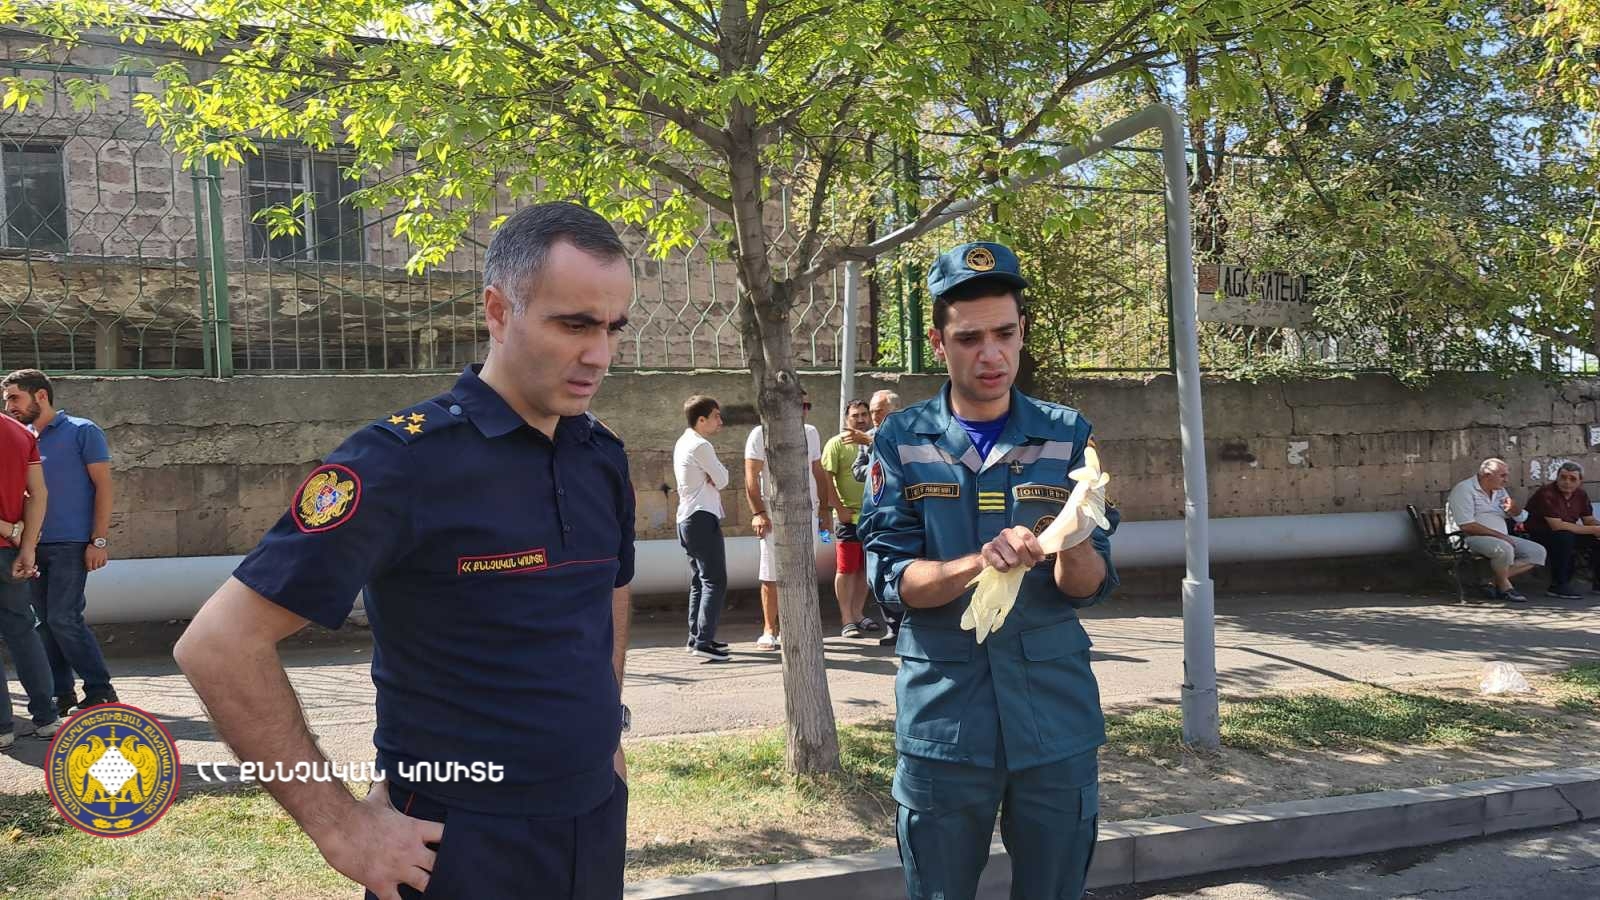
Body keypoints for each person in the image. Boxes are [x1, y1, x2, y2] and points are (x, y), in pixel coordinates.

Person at [172, 203, 637, 900]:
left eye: (612, 328)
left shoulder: (599, 455)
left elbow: (607, 590)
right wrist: (340, 827)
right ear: (498, 312)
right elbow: (217, 645)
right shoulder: (401, 462)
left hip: (593, 820)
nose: (598, 355)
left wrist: (607, 730)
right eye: (574, 325)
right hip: (456, 843)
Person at [859, 241, 1118, 900]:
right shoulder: (902, 439)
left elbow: (1088, 586)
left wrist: (1073, 540)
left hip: (1053, 715)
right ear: (938, 342)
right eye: (969, 338)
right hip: (946, 718)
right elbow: (891, 581)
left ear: (1022, 331)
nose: (991, 354)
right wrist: (978, 561)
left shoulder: (1067, 435)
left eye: (1004, 334)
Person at [1, 369, 117, 717]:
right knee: (42, 622)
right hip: (29, 546)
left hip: (72, 543)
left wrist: (98, 540)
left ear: (41, 395)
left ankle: (100, 690)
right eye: (6, 401)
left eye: (15, 398)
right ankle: (60, 693)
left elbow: (104, 487)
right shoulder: (18, 437)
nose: (9, 407)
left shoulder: (83, 431)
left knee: (64, 618)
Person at [743, 388, 840, 651]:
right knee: (771, 572)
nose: (804, 411)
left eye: (807, 406)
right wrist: (758, 513)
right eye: (800, 405)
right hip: (774, 513)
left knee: (805, 570)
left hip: (808, 511)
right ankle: (769, 629)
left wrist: (824, 511)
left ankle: (799, 627)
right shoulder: (759, 434)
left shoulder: (811, 433)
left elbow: (818, 471)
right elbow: (751, 476)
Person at [0, 411, 61, 748]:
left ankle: (2, 728)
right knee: (23, 631)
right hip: (10, 553)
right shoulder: (20, 432)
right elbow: (38, 494)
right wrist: (26, 545)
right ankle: (47, 717)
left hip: (11, 542)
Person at [674, 395, 731, 662]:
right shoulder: (700, 445)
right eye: (716, 416)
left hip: (687, 519)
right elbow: (723, 479)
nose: (721, 421)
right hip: (700, 518)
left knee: (700, 580)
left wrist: (714, 475)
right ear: (701, 420)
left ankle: (696, 636)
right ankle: (703, 641)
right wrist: (715, 474)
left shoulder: (684, 441)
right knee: (714, 580)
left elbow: (716, 478)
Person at [1445, 457, 1545, 603]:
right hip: (1467, 538)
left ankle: (1490, 581)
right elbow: (1467, 525)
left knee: (1537, 552)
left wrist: (1514, 509)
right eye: (1502, 476)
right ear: (1487, 475)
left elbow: (1521, 518)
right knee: (1504, 549)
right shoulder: (1464, 490)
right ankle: (1505, 587)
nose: (1506, 480)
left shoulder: (1499, 491)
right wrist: (1501, 536)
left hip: (1500, 537)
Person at [821, 399, 879, 637]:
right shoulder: (836, 444)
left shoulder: (876, 440)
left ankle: (858, 614)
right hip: (847, 518)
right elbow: (825, 479)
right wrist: (838, 508)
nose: (861, 419)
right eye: (855, 415)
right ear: (847, 419)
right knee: (846, 568)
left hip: (873, 516)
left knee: (866, 568)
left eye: (865, 414)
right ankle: (846, 619)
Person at [852, 388, 901, 644]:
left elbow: (901, 461)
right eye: (871, 412)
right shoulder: (867, 437)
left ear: (894, 410)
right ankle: (892, 625)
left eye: (879, 411)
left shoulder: (908, 432)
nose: (873, 417)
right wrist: (873, 459)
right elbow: (857, 471)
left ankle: (907, 626)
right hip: (875, 511)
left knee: (903, 568)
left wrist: (874, 445)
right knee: (877, 569)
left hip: (902, 511)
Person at [1523, 461, 1600, 600]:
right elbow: (1556, 525)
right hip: (1540, 533)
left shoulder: (1581, 495)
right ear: (1557, 478)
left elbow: (1588, 519)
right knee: (1564, 537)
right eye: (1563, 477)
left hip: (1567, 531)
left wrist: (1597, 528)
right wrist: (1593, 529)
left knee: (1596, 538)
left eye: (1572, 479)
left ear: (1580, 481)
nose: (1567, 482)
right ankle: (1558, 585)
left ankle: (1598, 584)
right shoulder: (1547, 493)